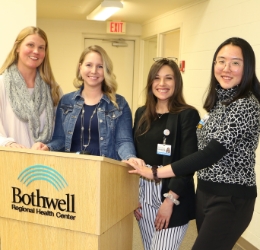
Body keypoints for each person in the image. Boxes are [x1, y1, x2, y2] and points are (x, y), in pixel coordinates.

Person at [125, 37, 260, 250]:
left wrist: (156, 173)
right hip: (205, 194)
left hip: (230, 197)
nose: (226, 68)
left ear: (248, 67)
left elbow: (207, 155)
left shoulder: (245, 106)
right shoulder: (220, 104)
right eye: (221, 61)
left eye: (235, 62)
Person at [132, 58, 200, 250]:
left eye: (168, 78)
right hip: (143, 193)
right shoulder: (141, 114)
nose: (162, 84)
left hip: (173, 192)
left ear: (177, 82)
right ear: (150, 82)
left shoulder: (187, 115)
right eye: (157, 78)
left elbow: (188, 163)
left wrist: (170, 200)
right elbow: (134, 157)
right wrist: (132, 196)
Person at [33, 45, 143, 162]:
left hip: (105, 172)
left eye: (100, 66)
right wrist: (48, 147)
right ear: (80, 67)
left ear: (106, 70)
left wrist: (130, 157)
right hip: (71, 169)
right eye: (89, 65)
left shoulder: (119, 104)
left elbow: (124, 141)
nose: (94, 71)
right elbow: (60, 139)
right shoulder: (66, 101)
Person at [0, 26, 61, 148]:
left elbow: (61, 135)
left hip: (42, 164)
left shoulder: (53, 90)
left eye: (41, 48)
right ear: (17, 47)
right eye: (30, 45)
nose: (36, 51)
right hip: (8, 161)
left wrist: (48, 147)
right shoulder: (2, 85)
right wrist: (8, 143)